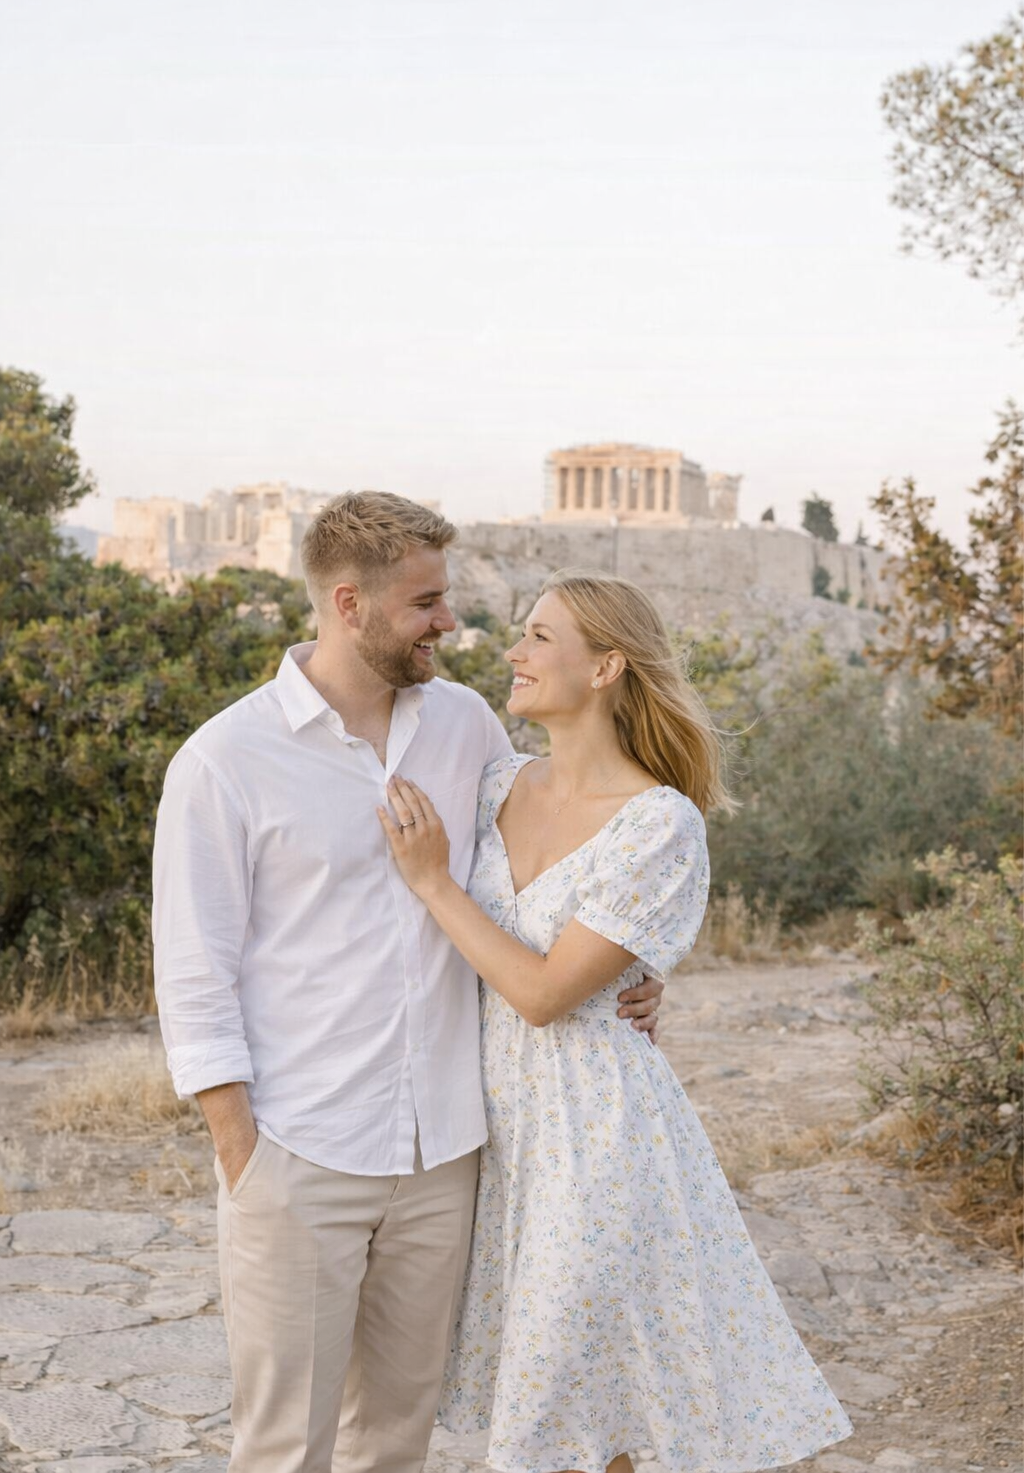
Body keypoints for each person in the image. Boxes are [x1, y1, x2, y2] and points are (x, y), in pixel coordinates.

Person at [152, 493, 664, 1473]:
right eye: (426, 602)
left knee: (395, 1441)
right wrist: (242, 1152)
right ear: (349, 605)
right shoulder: (224, 762)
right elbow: (193, 972)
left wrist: (636, 963)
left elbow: (557, 859)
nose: (450, 621)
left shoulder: (466, 725)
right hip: (298, 1154)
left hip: (444, 1156)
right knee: (281, 1450)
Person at [380, 569, 854, 1473]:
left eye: (539, 638)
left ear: (605, 668)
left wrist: (435, 882)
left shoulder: (659, 824)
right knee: (587, 1409)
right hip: (496, 1141)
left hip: (598, 1140)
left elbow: (548, 995)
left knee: (586, 1405)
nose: (513, 653)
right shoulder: (496, 787)